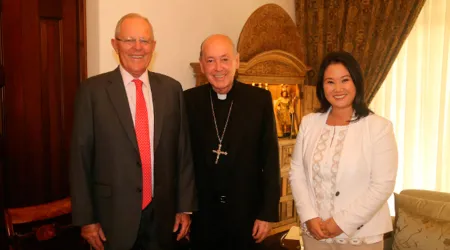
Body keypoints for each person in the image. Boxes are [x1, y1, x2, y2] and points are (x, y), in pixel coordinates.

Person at [69, 13, 197, 250]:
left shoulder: (172, 90)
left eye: (144, 41)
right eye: (129, 40)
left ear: (154, 46)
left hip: (163, 218)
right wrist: (86, 220)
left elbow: (183, 153)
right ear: (114, 44)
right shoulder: (92, 92)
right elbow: (80, 160)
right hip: (112, 220)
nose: (138, 48)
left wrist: (184, 207)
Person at [289, 51, 398, 250]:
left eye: (345, 80)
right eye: (330, 82)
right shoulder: (309, 123)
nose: (337, 88)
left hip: (361, 235)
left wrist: (340, 223)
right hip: (315, 233)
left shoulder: (379, 127)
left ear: (356, 82)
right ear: (322, 87)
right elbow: (296, 173)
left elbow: (382, 184)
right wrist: (308, 216)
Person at [184, 34, 281, 250]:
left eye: (225, 59)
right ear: (202, 65)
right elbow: (181, 161)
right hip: (203, 217)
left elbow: (271, 160)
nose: (218, 67)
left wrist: (267, 213)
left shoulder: (259, 100)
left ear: (237, 61)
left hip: (247, 215)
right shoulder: (188, 101)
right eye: (210, 60)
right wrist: (183, 210)